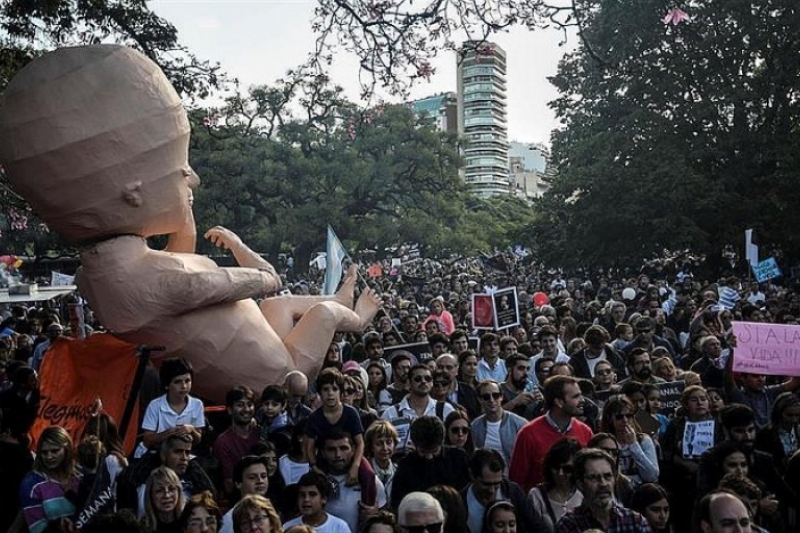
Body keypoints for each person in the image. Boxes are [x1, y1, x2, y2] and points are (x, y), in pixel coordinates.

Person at [509, 376, 594, 492]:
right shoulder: (528, 434)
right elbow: (516, 481)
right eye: (576, 396)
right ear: (559, 402)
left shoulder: (585, 432)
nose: (582, 400)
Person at [554, 448, 651, 533]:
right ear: (580, 484)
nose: (603, 484)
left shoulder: (635, 522)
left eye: (607, 476)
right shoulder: (569, 524)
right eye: (593, 478)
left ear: (614, 479)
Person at [390, 416, 471, 509]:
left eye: (434, 451)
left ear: (442, 442)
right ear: (415, 445)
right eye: (423, 452)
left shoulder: (458, 458)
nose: (429, 457)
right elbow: (398, 502)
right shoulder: (406, 465)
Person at [305, 368, 365, 486]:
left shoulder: (351, 413)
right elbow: (309, 447)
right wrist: (314, 466)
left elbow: (360, 443)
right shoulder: (314, 417)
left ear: (341, 392)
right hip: (325, 461)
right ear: (320, 393)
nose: (330, 393)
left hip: (350, 458)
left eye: (335, 389)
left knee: (368, 475)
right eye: (325, 389)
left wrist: (356, 465)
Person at [136, 357, 205, 458]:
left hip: (183, 454)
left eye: (187, 381)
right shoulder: (155, 405)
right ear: (167, 385)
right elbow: (147, 440)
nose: (184, 386)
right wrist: (169, 433)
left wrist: (191, 430)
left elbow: (198, 439)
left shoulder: (197, 404)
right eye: (177, 382)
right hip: (157, 454)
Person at [318, 430, 386, 533]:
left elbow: (387, 516)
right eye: (331, 449)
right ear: (323, 452)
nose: (338, 454)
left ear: (353, 450)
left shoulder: (370, 481)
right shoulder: (316, 482)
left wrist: (375, 515)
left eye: (343, 448)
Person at [19, 425, 82, 533]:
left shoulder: (80, 475)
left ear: (66, 449)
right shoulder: (32, 483)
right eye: (44, 452)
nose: (49, 456)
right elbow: (37, 528)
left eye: (55, 451)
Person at [381, 365, 456, 452]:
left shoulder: (446, 409)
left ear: (432, 383)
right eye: (418, 379)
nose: (423, 381)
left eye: (428, 379)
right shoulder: (390, 413)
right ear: (409, 383)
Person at [599, 395, 659, 487]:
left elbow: (652, 476)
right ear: (609, 418)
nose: (625, 420)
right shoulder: (604, 442)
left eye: (629, 416)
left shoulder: (643, 440)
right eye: (619, 417)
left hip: (641, 491)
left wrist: (634, 445)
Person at [527, 437, 584, 533]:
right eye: (556, 467)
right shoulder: (537, 496)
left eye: (567, 469)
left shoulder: (584, 493)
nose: (560, 473)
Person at [214, 386, 260, 496]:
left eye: (249, 404)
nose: (246, 409)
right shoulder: (223, 442)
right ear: (230, 410)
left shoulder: (261, 432)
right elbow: (228, 483)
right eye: (240, 405)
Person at [471, 380, 527, 467]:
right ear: (479, 399)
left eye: (495, 395)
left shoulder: (520, 424)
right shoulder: (475, 426)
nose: (491, 400)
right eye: (486, 397)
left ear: (501, 397)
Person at [281, 471, 350, 533]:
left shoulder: (340, 527)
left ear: (323, 499)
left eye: (312, 494)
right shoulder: (288, 527)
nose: (306, 499)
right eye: (302, 495)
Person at [219, 456, 271, 533]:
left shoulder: (271, 511)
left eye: (263, 476)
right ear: (238, 484)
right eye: (252, 477)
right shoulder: (229, 519)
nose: (260, 481)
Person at [755, 391, 800, 467]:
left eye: (797, 415)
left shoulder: (798, 430)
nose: (794, 420)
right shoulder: (766, 435)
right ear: (778, 413)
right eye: (789, 415)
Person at [140, 467, 186, 533]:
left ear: (179, 492)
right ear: (150, 495)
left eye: (171, 489)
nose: (166, 495)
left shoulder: (189, 521)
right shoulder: (143, 527)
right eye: (159, 491)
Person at [364, 421, 399, 499]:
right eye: (379, 443)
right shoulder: (364, 469)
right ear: (371, 447)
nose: (385, 448)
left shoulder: (398, 470)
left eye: (389, 442)